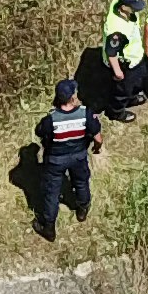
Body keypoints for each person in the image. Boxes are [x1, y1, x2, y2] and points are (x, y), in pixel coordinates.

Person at [32, 77, 102, 240]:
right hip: (78, 156)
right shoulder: (85, 114)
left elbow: (39, 132)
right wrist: (96, 149)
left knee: (52, 193)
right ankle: (82, 210)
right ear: (72, 97)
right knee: (81, 182)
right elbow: (98, 139)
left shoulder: (51, 119)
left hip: (55, 160)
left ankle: (48, 228)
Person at [100, 0, 148, 122]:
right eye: (133, 7)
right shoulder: (117, 30)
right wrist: (118, 72)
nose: (136, 10)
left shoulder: (119, 0)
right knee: (122, 91)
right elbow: (111, 52)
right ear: (123, 7)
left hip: (136, 57)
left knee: (139, 79)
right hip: (124, 64)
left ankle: (132, 97)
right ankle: (116, 112)